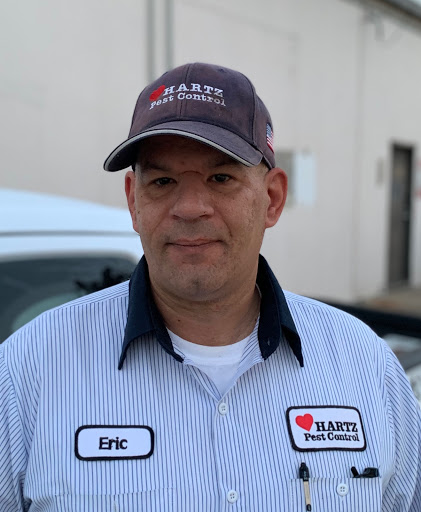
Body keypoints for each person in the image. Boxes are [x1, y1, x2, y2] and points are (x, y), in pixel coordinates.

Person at [0, 62, 420, 511]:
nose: (190, 207)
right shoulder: (27, 373)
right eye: (163, 181)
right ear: (133, 201)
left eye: (221, 178)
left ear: (272, 198)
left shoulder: (365, 365)